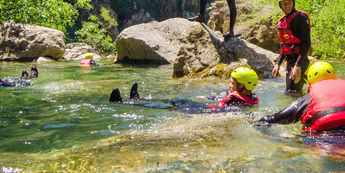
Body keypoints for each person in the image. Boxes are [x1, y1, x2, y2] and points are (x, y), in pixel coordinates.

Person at [259, 61, 345, 132]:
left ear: (310, 81)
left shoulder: (306, 99)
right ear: (334, 75)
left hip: (326, 139)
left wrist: (258, 121)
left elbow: (276, 119)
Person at [109, 66, 259, 111]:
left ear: (241, 85)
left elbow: (226, 107)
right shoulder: (250, 98)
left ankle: (125, 103)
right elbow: (225, 101)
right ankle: (138, 98)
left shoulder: (237, 101)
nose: (229, 85)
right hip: (206, 107)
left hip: (203, 111)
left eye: (232, 82)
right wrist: (210, 98)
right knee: (179, 100)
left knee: (173, 107)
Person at [271, 0, 311, 93]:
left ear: (293, 3)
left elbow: (306, 43)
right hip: (290, 62)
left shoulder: (300, 18)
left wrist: (298, 66)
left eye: (289, 2)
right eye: (284, 3)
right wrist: (278, 64)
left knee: (292, 92)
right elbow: (284, 46)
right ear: (280, 5)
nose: (286, 5)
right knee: (290, 91)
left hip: (300, 62)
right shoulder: (282, 20)